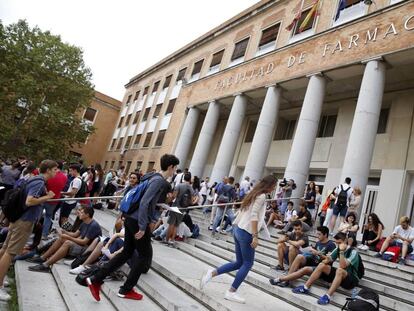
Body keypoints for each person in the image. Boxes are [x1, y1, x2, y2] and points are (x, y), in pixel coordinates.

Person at [86, 154, 179, 301]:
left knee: (127, 252)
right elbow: (144, 203)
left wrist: (158, 206)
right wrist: (143, 227)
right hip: (137, 221)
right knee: (144, 256)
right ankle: (126, 289)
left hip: (130, 218)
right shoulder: (159, 181)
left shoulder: (151, 176)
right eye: (175, 168)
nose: (175, 171)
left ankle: (97, 279)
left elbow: (146, 201)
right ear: (171, 167)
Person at [200, 175, 277, 303]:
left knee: (239, 262)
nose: (274, 188)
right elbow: (253, 216)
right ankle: (231, 292)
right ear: (269, 185)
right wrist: (255, 236)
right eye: (273, 186)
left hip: (238, 229)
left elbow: (246, 212)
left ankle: (212, 273)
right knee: (248, 263)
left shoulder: (254, 193)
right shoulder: (261, 196)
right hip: (246, 231)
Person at [0, 160, 57, 301]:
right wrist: (48, 197)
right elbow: (29, 201)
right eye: (55, 169)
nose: (57, 172)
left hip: (19, 218)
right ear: (48, 170)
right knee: (10, 252)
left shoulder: (35, 179)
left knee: (6, 249)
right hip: (24, 221)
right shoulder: (39, 182)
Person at [292, 232, 360, 305]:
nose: (338, 245)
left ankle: (327, 296)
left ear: (345, 240)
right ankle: (305, 287)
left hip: (351, 280)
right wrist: (321, 256)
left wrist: (342, 252)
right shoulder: (337, 249)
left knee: (340, 270)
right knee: (322, 265)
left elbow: (343, 266)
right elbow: (328, 259)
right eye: (337, 243)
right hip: (341, 276)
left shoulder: (354, 252)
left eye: (340, 243)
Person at [28, 205, 102, 272]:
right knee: (61, 238)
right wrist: (64, 232)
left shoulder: (93, 226)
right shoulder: (84, 222)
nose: (79, 213)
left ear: (87, 215)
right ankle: (43, 258)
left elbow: (84, 242)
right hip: (82, 246)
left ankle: (46, 265)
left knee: (67, 242)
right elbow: (75, 234)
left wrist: (68, 237)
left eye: (82, 212)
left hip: (88, 250)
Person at [269, 226, 336, 287]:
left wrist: (319, 254)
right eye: (317, 234)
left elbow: (330, 260)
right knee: (299, 256)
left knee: (297, 254)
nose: (317, 236)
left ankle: (286, 280)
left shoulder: (331, 245)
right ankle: (288, 277)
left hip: (321, 266)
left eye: (319, 234)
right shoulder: (318, 242)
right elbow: (315, 254)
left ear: (325, 235)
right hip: (313, 261)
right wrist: (311, 250)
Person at [42, 161, 68, 239]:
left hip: (43, 198)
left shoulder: (49, 174)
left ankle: (33, 231)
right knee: (48, 217)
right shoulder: (64, 177)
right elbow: (63, 187)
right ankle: (44, 234)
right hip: (54, 200)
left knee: (37, 214)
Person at [166, 172, 193, 246]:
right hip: (183, 208)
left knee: (171, 224)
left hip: (176, 206)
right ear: (190, 179)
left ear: (183, 178)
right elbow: (191, 201)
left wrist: (168, 201)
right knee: (176, 225)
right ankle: (172, 240)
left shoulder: (179, 185)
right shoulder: (191, 188)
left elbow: (174, 196)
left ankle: (167, 239)